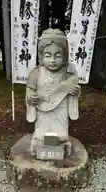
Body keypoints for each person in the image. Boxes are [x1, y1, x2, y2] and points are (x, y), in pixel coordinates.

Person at [26, 28, 81, 156]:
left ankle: (61, 143)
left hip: (60, 109)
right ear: (41, 56)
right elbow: (29, 90)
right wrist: (30, 97)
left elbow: (75, 89)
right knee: (41, 133)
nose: (52, 60)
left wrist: (75, 92)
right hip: (42, 108)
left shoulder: (69, 73)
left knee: (60, 134)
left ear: (64, 56)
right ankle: (40, 141)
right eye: (48, 55)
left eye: (57, 56)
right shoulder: (36, 73)